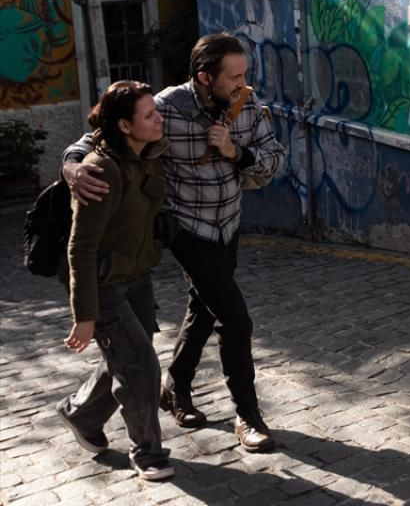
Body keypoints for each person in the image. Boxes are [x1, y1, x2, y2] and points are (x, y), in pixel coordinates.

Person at [63, 33, 285, 452]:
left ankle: (176, 386)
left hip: (228, 224)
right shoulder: (165, 107)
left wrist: (236, 152)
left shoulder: (249, 107)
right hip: (187, 228)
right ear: (204, 76)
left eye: (244, 74)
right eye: (233, 76)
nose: (242, 83)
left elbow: (275, 158)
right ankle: (247, 415)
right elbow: (101, 134)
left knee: (203, 308)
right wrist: (72, 167)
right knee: (235, 318)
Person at [55, 80, 174, 481]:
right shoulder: (99, 170)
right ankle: (148, 452)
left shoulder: (148, 153)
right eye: (150, 115)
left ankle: (81, 413)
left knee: (127, 357)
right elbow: (80, 249)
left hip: (137, 276)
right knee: (141, 365)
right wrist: (84, 315)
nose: (160, 119)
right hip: (104, 284)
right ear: (124, 125)